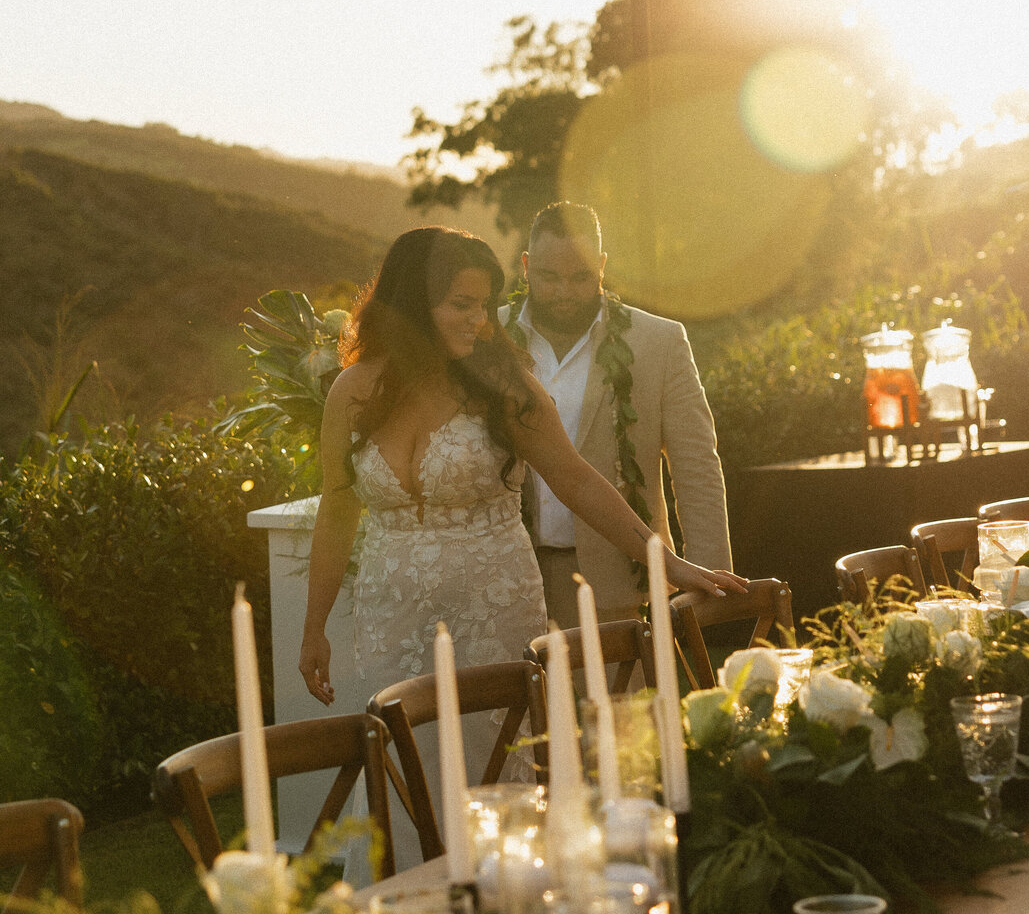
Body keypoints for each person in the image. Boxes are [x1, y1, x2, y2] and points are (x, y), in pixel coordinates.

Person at [299, 227, 744, 731]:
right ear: (414, 304)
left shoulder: (502, 386)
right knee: (404, 757)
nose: (480, 321)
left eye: (483, 306)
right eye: (462, 305)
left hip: (494, 605)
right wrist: (314, 628)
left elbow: (574, 479)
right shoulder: (351, 392)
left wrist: (665, 560)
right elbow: (337, 511)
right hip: (389, 613)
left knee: (498, 753)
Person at [501, 202, 732, 630]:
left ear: (602, 266)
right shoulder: (487, 339)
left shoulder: (659, 342)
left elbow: (696, 465)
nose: (564, 292)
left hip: (616, 577)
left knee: (621, 700)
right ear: (526, 266)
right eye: (549, 277)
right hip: (507, 580)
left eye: (581, 276)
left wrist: (708, 577)